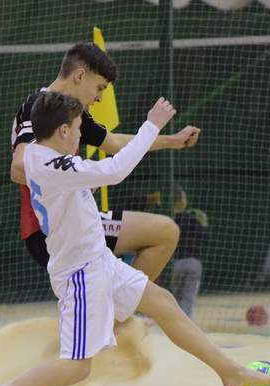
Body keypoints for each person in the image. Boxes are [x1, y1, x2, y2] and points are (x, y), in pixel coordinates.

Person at [0, 92, 270, 386]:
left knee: (163, 302)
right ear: (62, 130)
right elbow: (115, 170)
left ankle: (231, 372)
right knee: (75, 367)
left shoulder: (43, 155)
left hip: (99, 261)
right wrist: (152, 125)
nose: (79, 138)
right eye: (77, 130)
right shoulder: (48, 163)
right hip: (80, 274)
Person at [10, 41, 201, 282]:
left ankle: (121, 301)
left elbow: (114, 142)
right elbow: (19, 168)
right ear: (80, 76)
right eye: (99, 87)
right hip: (51, 229)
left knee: (165, 233)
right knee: (164, 232)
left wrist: (172, 141)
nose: (99, 98)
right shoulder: (38, 108)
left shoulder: (69, 113)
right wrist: (74, 181)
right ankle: (122, 303)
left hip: (73, 222)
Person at [171, 186, 210, 320]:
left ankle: (173, 324)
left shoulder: (166, 218)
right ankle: (187, 325)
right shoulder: (191, 219)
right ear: (182, 200)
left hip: (174, 263)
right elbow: (206, 238)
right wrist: (204, 224)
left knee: (174, 297)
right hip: (193, 262)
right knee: (188, 297)